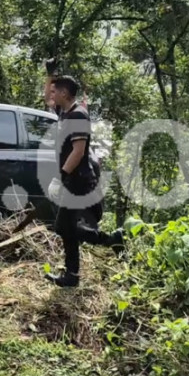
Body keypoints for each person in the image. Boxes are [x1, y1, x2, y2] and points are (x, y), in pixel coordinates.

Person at [45, 75, 123, 288]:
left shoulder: (78, 116)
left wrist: (60, 177)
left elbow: (78, 151)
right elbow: (48, 99)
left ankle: (110, 239)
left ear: (64, 93)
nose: (51, 95)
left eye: (55, 91)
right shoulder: (65, 112)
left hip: (79, 180)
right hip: (72, 179)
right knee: (67, 227)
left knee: (63, 226)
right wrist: (50, 75)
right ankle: (72, 275)